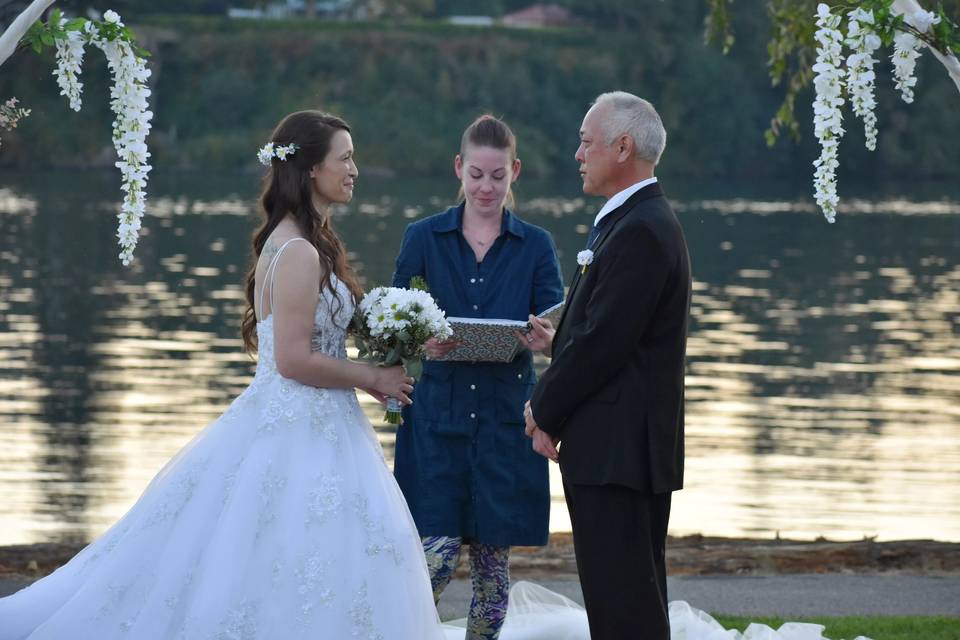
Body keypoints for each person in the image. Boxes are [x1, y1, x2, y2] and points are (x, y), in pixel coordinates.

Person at [0, 110, 447, 640]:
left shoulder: (308, 241)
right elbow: (293, 360)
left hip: (311, 421)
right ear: (309, 170)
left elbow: (317, 338)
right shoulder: (300, 251)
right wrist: (372, 376)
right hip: (301, 424)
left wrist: (400, 332)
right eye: (344, 158)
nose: (355, 169)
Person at [523, 91, 692, 640]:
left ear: (623, 147)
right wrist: (560, 341)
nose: (577, 153)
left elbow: (605, 344)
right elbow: (616, 334)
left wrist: (543, 409)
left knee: (625, 607)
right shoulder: (632, 220)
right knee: (623, 600)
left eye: (585, 141)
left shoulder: (641, 228)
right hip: (618, 444)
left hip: (620, 451)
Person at [391, 114, 563, 640]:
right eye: (476, 175)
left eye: (498, 176)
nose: (486, 188)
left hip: (506, 420)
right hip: (437, 420)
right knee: (436, 560)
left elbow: (561, 329)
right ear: (459, 169)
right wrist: (420, 342)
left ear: (515, 172)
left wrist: (548, 342)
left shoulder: (535, 245)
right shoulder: (423, 236)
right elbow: (391, 326)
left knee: (492, 572)